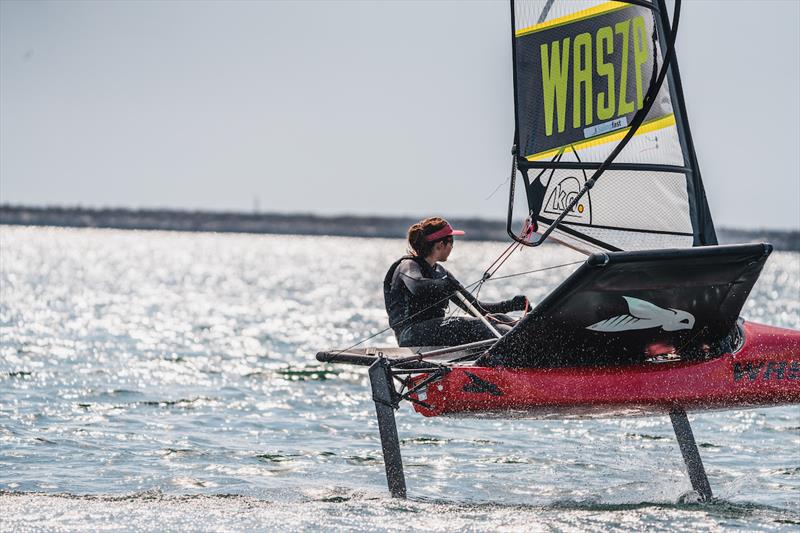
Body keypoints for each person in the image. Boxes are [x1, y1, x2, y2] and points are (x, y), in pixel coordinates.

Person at [383, 217, 528, 347]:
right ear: (440, 244)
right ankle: (511, 354)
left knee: (499, 320)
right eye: (451, 241)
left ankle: (529, 349)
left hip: (434, 330)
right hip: (410, 334)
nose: (452, 246)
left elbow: (476, 309)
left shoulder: (442, 273)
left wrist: (511, 304)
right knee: (479, 326)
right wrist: (445, 285)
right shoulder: (408, 265)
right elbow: (417, 286)